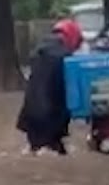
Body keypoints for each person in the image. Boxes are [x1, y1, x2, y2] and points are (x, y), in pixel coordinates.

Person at [16, 18, 83, 155]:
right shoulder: (62, 55)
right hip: (50, 115)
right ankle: (49, 145)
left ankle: (38, 145)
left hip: (32, 113)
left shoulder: (41, 50)